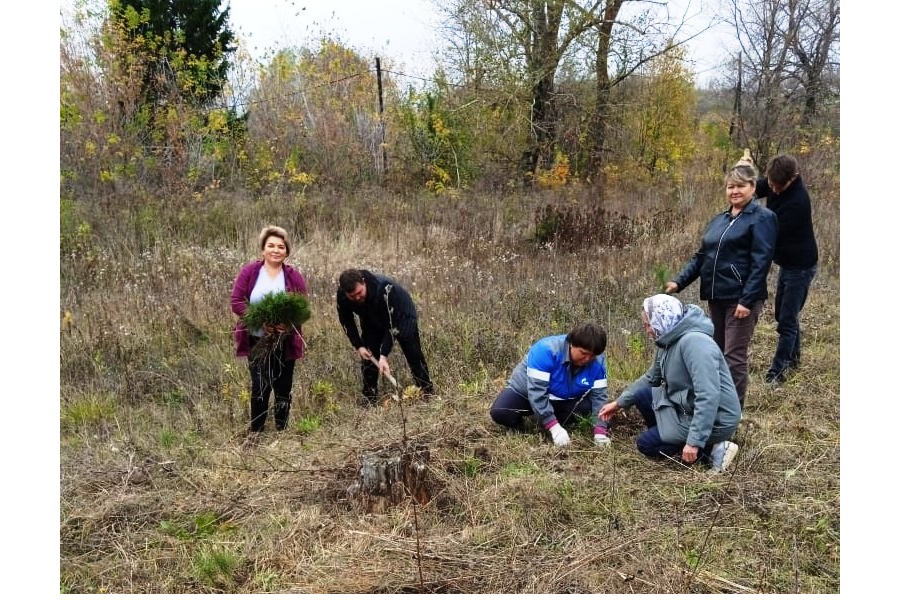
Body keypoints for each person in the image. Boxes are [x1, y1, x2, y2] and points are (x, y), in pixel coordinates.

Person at [664, 161, 777, 408]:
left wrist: (747, 300)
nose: (734, 191)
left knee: (733, 356)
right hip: (716, 296)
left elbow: (762, 262)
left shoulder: (762, 218)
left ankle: (732, 410)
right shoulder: (720, 220)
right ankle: (714, 403)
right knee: (715, 353)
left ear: (752, 188)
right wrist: (678, 282)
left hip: (741, 299)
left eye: (740, 186)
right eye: (730, 187)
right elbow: (702, 256)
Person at [599, 294, 741, 472]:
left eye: (648, 324)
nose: (646, 330)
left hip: (717, 419)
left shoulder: (695, 343)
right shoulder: (668, 340)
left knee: (646, 444)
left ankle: (713, 448)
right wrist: (619, 403)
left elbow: (708, 395)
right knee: (642, 395)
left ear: (662, 319)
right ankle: (675, 436)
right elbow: (651, 378)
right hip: (687, 408)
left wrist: (694, 442)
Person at [230, 226, 309, 437]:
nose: (276, 250)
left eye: (281, 247)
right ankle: (256, 430)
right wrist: (259, 320)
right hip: (257, 340)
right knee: (260, 386)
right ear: (263, 249)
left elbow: (302, 308)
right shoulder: (249, 272)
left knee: (283, 386)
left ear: (287, 251)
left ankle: (282, 430)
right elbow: (236, 302)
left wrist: (287, 324)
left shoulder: (293, 276)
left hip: (285, 342)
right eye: (271, 246)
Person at [489, 322, 612, 447]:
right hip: (526, 393)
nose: (587, 359)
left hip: (562, 400)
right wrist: (554, 428)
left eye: (592, 356)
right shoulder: (545, 350)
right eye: (583, 353)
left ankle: (548, 418)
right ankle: (536, 422)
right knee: (501, 412)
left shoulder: (598, 361)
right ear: (571, 344)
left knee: (589, 408)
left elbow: (599, 397)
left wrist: (600, 432)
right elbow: (537, 392)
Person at [754, 154, 819, 384]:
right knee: (784, 313)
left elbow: (768, 230)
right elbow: (755, 187)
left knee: (787, 321)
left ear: (793, 179)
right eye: (770, 183)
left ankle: (778, 373)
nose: (772, 188)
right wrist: (740, 186)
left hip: (800, 268)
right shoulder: (775, 179)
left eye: (776, 186)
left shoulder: (797, 203)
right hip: (788, 264)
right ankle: (795, 357)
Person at [336, 268, 434, 405]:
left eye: (359, 293)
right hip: (371, 319)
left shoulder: (384, 288)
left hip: (402, 316)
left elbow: (392, 325)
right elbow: (346, 321)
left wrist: (383, 355)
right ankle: (370, 398)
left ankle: (427, 391)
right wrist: (358, 345)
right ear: (345, 292)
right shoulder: (342, 296)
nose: (357, 298)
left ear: (363, 282)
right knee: (369, 356)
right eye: (352, 296)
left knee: (413, 353)